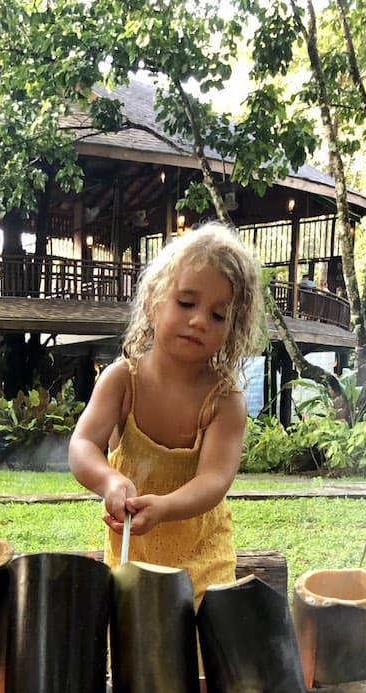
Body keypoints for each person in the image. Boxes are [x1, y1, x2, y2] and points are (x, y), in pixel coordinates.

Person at [68, 222, 264, 603]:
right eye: (187, 303)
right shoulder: (122, 380)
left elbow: (214, 480)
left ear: (233, 329)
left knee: (194, 653)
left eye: (218, 315)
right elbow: (82, 445)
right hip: (131, 553)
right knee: (134, 645)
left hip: (202, 562)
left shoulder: (224, 401)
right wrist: (109, 481)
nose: (199, 321)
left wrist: (166, 507)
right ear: (153, 301)